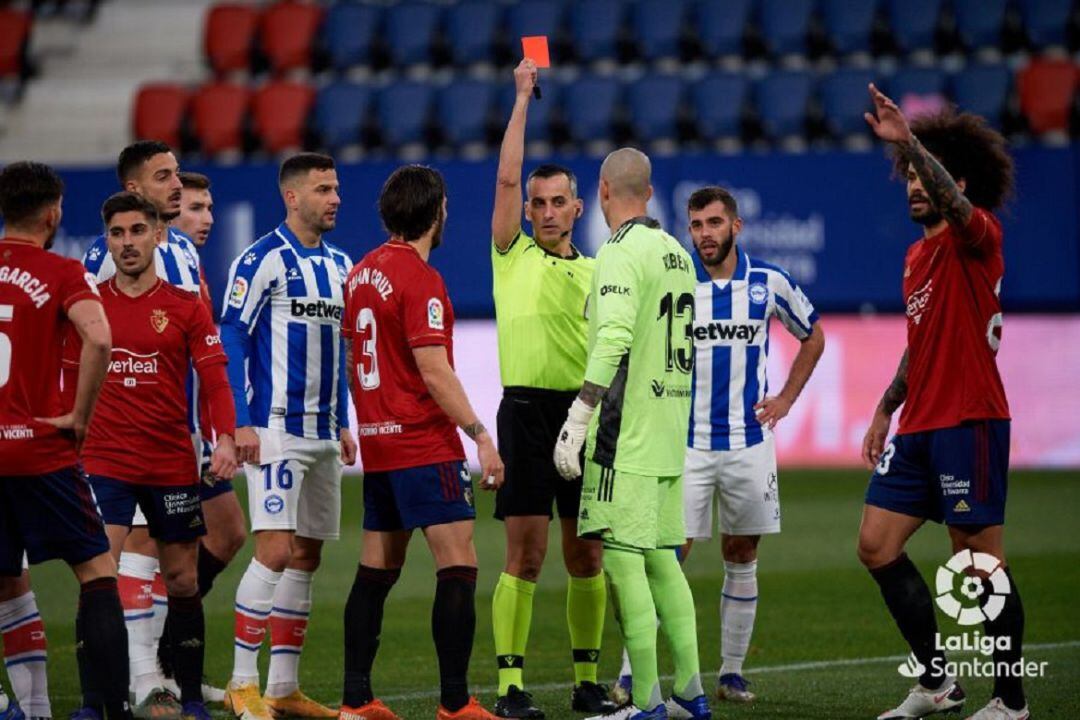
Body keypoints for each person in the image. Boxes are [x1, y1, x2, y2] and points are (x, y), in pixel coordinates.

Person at [858, 87, 1027, 720]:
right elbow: (918, 345)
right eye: (905, 177)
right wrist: (884, 407)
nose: (913, 186)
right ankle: (937, 684)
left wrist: (910, 143)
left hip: (969, 420)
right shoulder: (915, 256)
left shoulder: (976, 235)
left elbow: (957, 203)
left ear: (957, 184)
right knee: (875, 545)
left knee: (979, 568)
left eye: (923, 175)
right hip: (921, 425)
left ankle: (1010, 701)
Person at [338, 165, 504, 720]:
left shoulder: (360, 273)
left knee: (376, 571)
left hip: (380, 447)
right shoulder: (420, 279)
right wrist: (480, 434)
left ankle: (355, 698)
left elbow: (355, 357)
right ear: (437, 213)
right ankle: (455, 704)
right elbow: (434, 371)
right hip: (423, 444)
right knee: (458, 564)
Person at [65, 191, 238, 720]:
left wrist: (225, 437)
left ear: (157, 235)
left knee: (183, 580)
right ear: (107, 240)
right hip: (106, 463)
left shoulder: (184, 307)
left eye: (137, 231)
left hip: (170, 464)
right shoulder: (88, 306)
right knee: (98, 577)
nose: (127, 243)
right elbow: (68, 379)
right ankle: (98, 702)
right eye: (117, 234)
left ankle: (187, 697)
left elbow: (214, 379)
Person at [553, 149, 709, 720]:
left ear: (602, 190)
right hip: (670, 432)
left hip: (627, 435)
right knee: (663, 561)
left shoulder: (619, 252)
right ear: (648, 191)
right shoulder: (676, 252)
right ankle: (690, 693)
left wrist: (579, 417)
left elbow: (614, 337)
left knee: (621, 559)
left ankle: (646, 702)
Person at [488, 58, 614, 719]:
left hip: (583, 417)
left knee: (586, 554)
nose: (541, 211)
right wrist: (521, 97)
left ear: (576, 206)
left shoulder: (597, 272)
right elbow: (507, 173)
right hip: (526, 414)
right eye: (534, 202)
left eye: (554, 201)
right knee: (527, 552)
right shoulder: (511, 253)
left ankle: (587, 683)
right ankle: (510, 687)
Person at [220, 153, 355, 720]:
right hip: (276, 430)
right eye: (324, 189)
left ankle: (284, 688)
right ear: (293, 197)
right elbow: (231, 335)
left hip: (324, 433)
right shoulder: (262, 260)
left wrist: (344, 419)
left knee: (306, 556)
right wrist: (240, 419)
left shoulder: (343, 264)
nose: (335, 198)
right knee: (273, 549)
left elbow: (342, 349)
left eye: (337, 188)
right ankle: (241, 683)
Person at [677, 186, 823, 703]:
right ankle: (634, 672)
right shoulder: (676, 281)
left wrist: (785, 397)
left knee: (742, 551)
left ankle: (731, 671)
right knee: (668, 556)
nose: (705, 235)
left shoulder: (768, 282)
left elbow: (814, 335)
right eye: (696, 225)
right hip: (685, 443)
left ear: (736, 226)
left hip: (748, 441)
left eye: (714, 223)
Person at [0, 161, 131, 720]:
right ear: (53, 212)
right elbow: (99, 339)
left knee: (8, 580)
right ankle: (113, 711)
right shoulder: (60, 271)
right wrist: (79, 415)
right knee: (97, 570)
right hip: (39, 446)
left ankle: (34, 710)